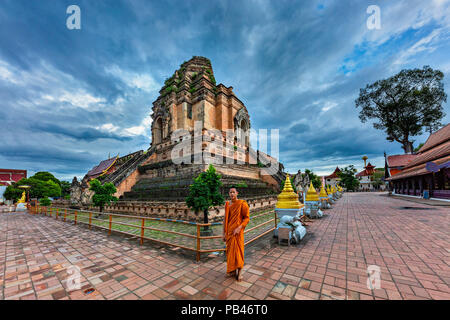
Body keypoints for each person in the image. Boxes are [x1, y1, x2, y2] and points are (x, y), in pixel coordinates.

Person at [222, 187, 250, 281]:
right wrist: (224, 233)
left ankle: (240, 272)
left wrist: (239, 227)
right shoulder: (227, 204)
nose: (232, 194)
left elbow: (246, 218)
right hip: (230, 232)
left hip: (238, 232)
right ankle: (232, 270)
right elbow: (225, 219)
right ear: (229, 194)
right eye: (230, 192)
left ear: (237, 193)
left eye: (233, 192)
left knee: (239, 252)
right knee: (230, 252)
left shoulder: (242, 203)